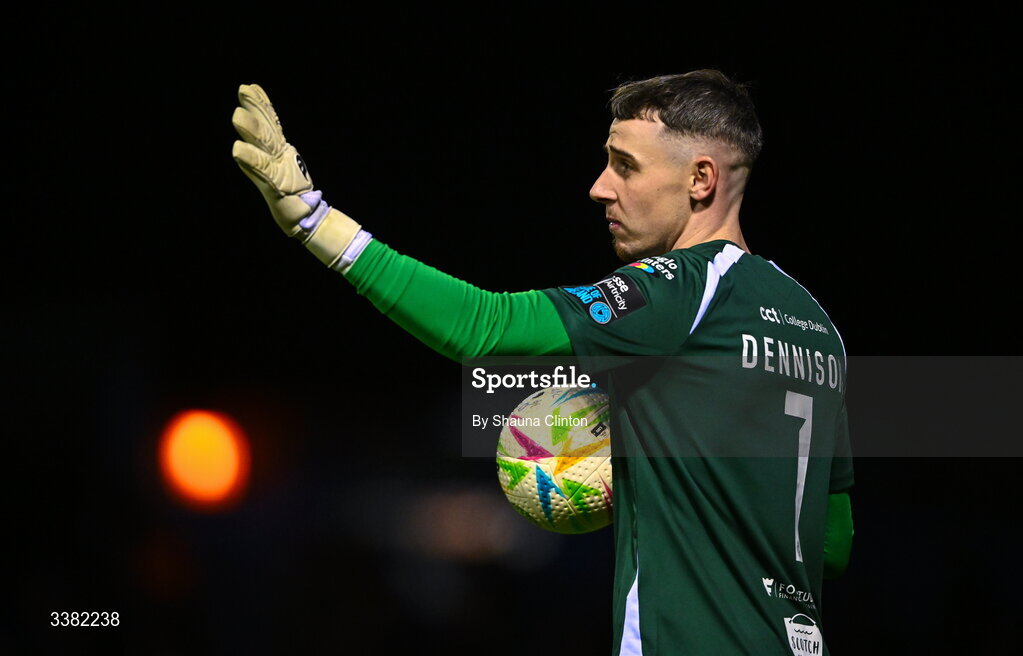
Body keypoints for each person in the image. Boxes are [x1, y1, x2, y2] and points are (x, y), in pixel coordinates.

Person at [232, 70, 854, 655]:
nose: (599, 186)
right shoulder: (817, 327)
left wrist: (315, 221)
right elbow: (832, 543)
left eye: (625, 166)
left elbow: (483, 326)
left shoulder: (682, 290)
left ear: (700, 180)